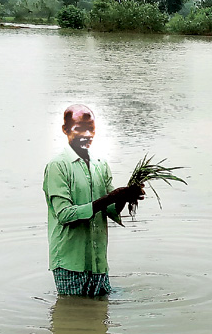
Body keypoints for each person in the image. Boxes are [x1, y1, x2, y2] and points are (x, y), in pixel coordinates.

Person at [43, 105, 143, 297]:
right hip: (70, 263)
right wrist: (111, 197)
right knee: (73, 318)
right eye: (79, 128)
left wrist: (125, 197)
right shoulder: (58, 166)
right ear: (65, 130)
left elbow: (111, 210)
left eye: (91, 128)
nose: (86, 134)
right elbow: (65, 215)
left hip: (98, 262)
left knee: (99, 318)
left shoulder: (100, 163)